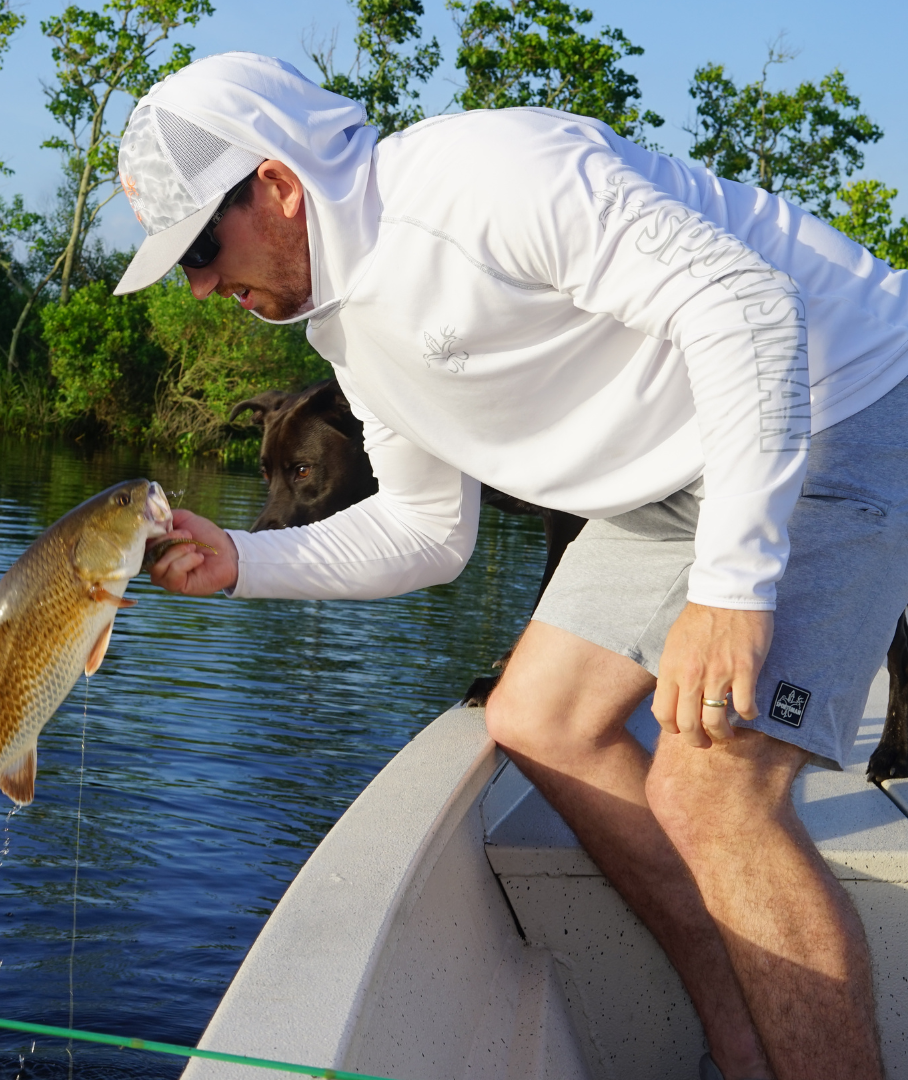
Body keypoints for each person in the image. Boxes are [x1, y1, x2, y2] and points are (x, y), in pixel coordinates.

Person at [114, 51, 908, 1080]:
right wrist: (245, 561)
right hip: (678, 470)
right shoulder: (348, 331)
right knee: (539, 718)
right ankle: (745, 1046)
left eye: (205, 248)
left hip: (841, 400)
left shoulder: (487, 178)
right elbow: (425, 531)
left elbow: (747, 310)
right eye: (183, 265)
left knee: (712, 788)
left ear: (278, 185)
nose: (205, 284)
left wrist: (730, 587)